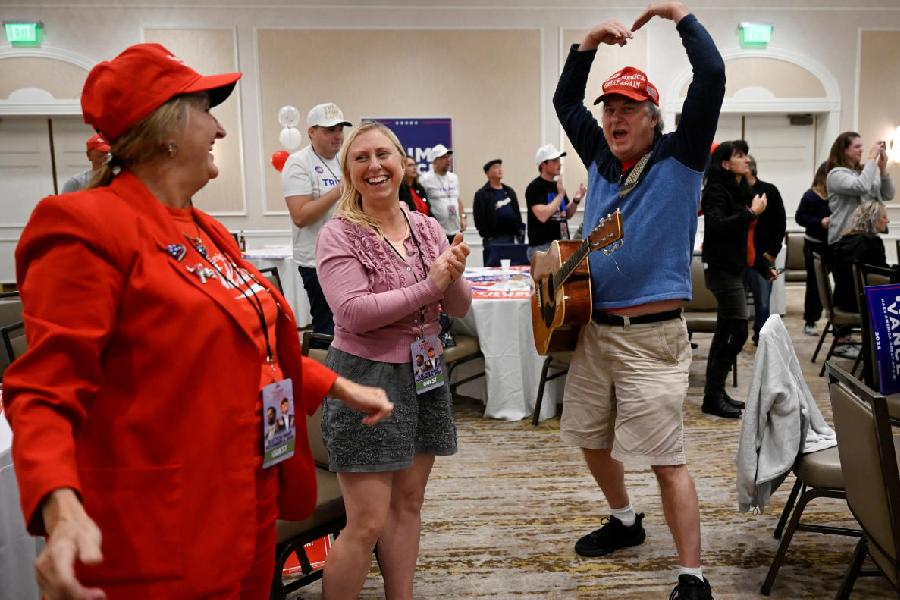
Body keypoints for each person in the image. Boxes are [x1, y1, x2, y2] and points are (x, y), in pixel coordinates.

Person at [2, 43, 393, 599]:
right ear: (166, 129)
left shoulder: (202, 226)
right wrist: (59, 504)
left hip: (248, 497)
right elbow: (43, 389)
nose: (219, 130)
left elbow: (241, 349)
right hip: (162, 522)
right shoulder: (85, 226)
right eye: (207, 111)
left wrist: (336, 385)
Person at [553, 3, 725, 598]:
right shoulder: (601, 158)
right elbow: (565, 104)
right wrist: (586, 45)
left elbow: (712, 77)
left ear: (653, 118)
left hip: (653, 337)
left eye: (628, 108)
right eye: (611, 108)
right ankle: (625, 520)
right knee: (591, 437)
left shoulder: (681, 157)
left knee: (665, 458)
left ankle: (692, 574)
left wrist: (681, 18)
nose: (615, 117)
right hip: (596, 331)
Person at [315, 122, 473, 598]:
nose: (374, 166)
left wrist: (454, 273)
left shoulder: (426, 227)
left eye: (383, 154)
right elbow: (353, 313)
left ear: (404, 164)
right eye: (360, 158)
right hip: (366, 380)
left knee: (408, 504)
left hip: (425, 375)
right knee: (365, 523)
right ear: (349, 172)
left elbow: (459, 307)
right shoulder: (338, 234)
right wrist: (431, 285)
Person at [701, 141, 767, 418]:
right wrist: (750, 212)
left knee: (726, 331)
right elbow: (717, 225)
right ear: (726, 163)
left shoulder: (741, 189)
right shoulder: (716, 189)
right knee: (738, 330)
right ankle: (713, 396)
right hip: (721, 269)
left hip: (736, 268)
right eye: (739, 156)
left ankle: (714, 394)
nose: (746, 159)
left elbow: (746, 236)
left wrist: (763, 266)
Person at [282, 102, 352, 341]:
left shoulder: (345, 160)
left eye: (340, 129)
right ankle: (325, 377)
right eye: (330, 130)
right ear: (312, 131)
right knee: (328, 328)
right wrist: (340, 190)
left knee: (350, 326)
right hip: (317, 261)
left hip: (349, 256)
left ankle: (347, 375)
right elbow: (300, 216)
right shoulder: (298, 162)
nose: (338, 136)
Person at [825, 131, 894, 245]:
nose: (861, 150)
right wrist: (872, 158)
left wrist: (882, 168)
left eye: (861, 146)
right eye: (857, 147)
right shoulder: (836, 175)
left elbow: (888, 194)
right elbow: (861, 187)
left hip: (867, 237)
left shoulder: (863, 173)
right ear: (843, 150)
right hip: (843, 239)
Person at [745, 155, 784, 344]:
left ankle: (761, 336)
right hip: (741, 256)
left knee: (763, 302)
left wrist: (773, 252)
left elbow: (780, 222)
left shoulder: (769, 191)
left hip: (763, 254)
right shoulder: (735, 192)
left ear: (749, 169)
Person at [525, 144, 583, 259]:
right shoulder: (535, 187)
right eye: (555, 160)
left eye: (559, 160)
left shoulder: (557, 186)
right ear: (543, 164)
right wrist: (560, 195)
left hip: (562, 243)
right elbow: (542, 216)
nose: (559, 164)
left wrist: (576, 199)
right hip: (542, 248)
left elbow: (567, 214)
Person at [831, 201, 889, 315]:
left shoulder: (843, 241)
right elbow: (880, 277)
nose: (888, 220)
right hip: (862, 304)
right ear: (873, 220)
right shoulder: (873, 243)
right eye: (884, 217)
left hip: (842, 301)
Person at [794, 162, 831, 336]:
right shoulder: (810, 196)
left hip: (833, 244)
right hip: (814, 243)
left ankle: (836, 320)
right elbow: (800, 217)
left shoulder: (836, 196)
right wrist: (819, 222)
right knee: (815, 284)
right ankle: (811, 321)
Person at [473, 158, 524, 265]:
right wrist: (488, 235)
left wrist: (519, 231)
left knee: (511, 269)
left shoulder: (509, 191)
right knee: (493, 269)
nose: (500, 170)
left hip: (510, 238)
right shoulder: (482, 194)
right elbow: (479, 219)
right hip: (493, 240)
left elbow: (517, 213)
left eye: (500, 167)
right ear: (488, 173)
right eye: (496, 167)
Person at [419, 143, 466, 244]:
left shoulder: (454, 178)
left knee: (457, 258)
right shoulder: (425, 179)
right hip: (437, 232)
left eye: (448, 157)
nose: (448, 160)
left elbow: (457, 199)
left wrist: (463, 217)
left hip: (456, 230)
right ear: (435, 161)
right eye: (443, 157)